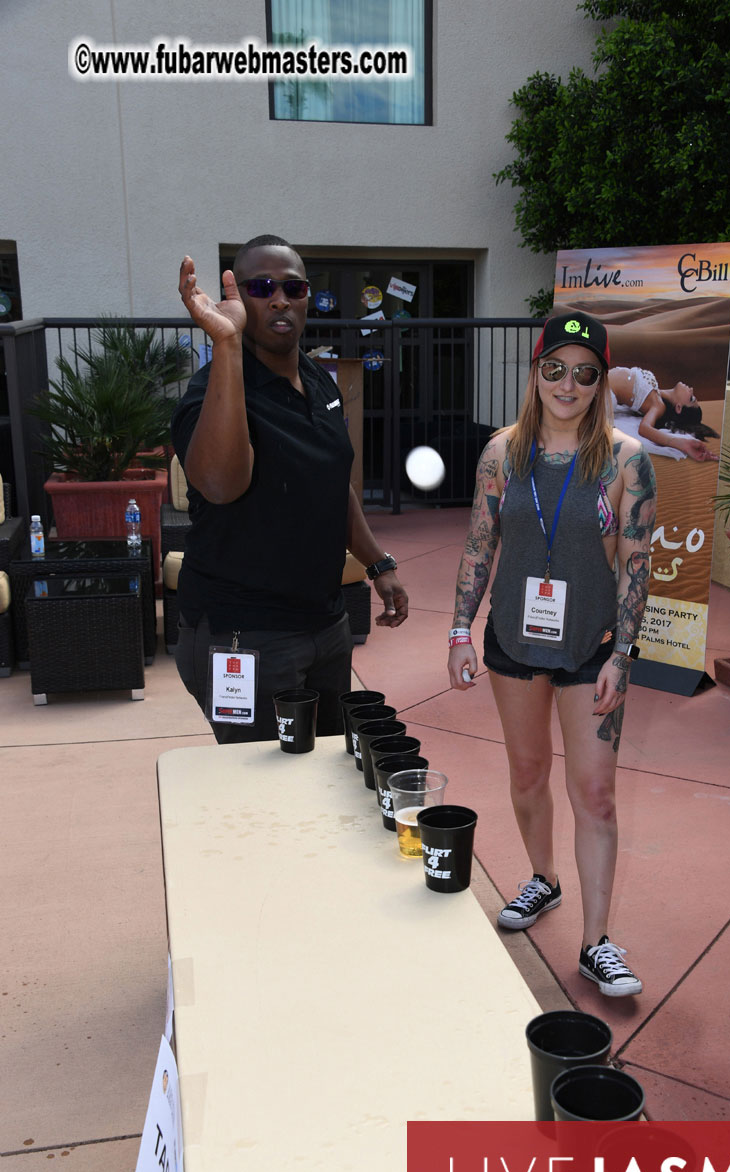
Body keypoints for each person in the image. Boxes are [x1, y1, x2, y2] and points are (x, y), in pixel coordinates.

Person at [448, 312, 657, 997]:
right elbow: (479, 545)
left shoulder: (628, 460)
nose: (568, 384)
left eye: (585, 372)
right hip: (512, 640)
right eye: (554, 368)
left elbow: (635, 561)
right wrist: (457, 628)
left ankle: (597, 941)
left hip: (589, 647)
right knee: (528, 772)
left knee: (594, 791)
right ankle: (543, 876)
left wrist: (623, 652)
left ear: (602, 383)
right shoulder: (501, 453)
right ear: (535, 373)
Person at [172, 234, 408, 743]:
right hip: (245, 634)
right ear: (239, 300)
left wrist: (378, 563)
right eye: (260, 287)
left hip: (324, 624)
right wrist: (227, 344)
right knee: (261, 794)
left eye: (293, 287)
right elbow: (219, 484)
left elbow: (332, 485)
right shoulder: (210, 392)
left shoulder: (317, 379)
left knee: (325, 777)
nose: (279, 298)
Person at [608, 365, 719, 461]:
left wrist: (680, 443)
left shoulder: (658, 406)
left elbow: (644, 428)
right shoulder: (657, 394)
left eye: (691, 398)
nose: (691, 389)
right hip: (599, 379)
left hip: (603, 395)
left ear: (679, 407)